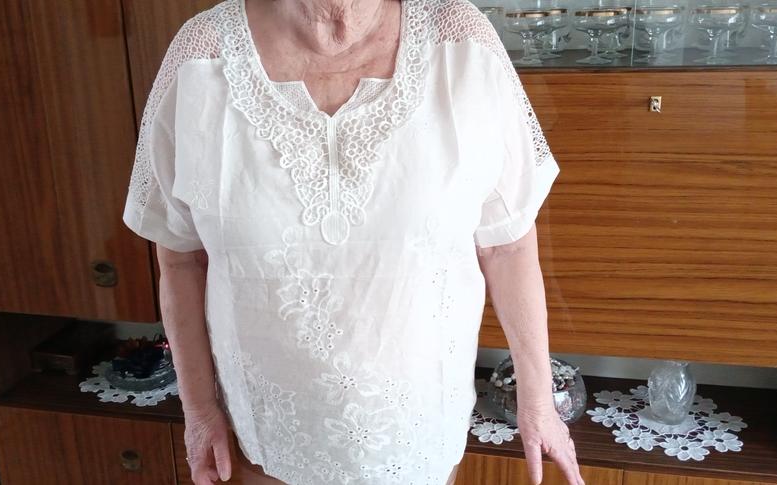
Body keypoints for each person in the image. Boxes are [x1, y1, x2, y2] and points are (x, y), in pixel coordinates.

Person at [122, 0, 583, 483]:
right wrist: (198, 410)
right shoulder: (201, 57)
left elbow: (507, 245)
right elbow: (180, 259)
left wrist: (537, 401)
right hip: (262, 446)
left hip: (420, 444)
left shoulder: (461, 41)